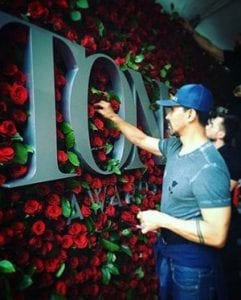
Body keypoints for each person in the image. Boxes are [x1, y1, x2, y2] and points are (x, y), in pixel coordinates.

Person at [95, 83, 231, 299]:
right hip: (169, 253)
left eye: (172, 110)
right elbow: (140, 139)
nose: (167, 116)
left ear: (190, 114)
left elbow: (217, 235)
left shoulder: (209, 166)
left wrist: (162, 220)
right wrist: (113, 117)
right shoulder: (175, 147)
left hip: (193, 266)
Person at [206, 109, 241, 300]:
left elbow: (225, 188)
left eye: (211, 125)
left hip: (226, 225)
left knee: (226, 273)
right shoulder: (207, 152)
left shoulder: (232, 156)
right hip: (208, 222)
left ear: (221, 134)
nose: (206, 126)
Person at [181, 19, 241, 101]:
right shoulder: (235, 58)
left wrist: (191, 31)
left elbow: (210, 48)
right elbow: (211, 49)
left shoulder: (236, 58)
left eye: (238, 40)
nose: (236, 41)